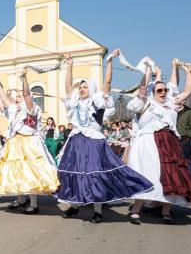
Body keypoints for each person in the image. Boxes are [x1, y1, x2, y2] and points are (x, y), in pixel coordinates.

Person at [55, 51, 152, 223]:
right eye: (81, 87)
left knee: (95, 173)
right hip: (76, 141)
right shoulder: (75, 103)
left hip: (93, 142)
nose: (81, 89)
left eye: (85, 87)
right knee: (76, 173)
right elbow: (68, 86)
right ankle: (75, 205)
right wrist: (70, 65)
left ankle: (97, 210)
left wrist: (109, 61)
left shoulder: (98, 102)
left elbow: (107, 82)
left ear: (91, 89)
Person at [126, 60, 191, 224]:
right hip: (149, 143)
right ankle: (136, 209)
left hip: (170, 143)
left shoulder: (171, 104)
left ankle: (166, 210)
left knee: (170, 175)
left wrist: (188, 72)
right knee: (148, 174)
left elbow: (188, 91)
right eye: (160, 90)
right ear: (153, 91)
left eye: (165, 90)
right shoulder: (146, 103)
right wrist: (147, 70)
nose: (164, 92)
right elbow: (143, 88)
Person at [0, 70, 59, 214]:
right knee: (17, 172)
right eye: (16, 97)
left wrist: (24, 78)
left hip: (29, 143)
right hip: (16, 143)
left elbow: (27, 94)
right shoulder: (14, 109)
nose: (16, 98)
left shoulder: (32, 108)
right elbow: (4, 101)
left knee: (30, 172)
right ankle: (21, 199)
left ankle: (34, 204)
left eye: (19, 96)